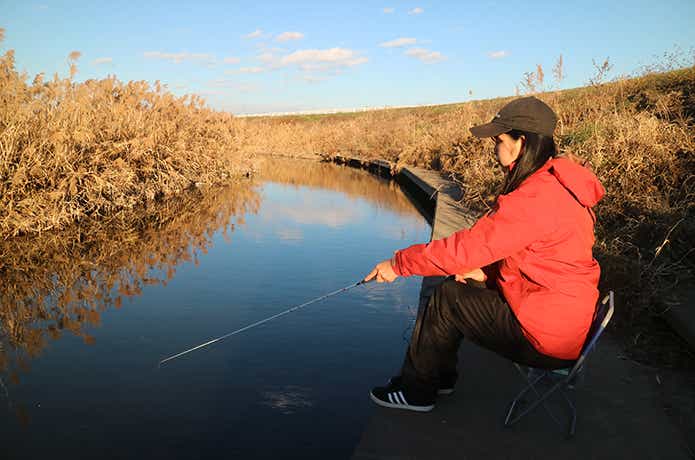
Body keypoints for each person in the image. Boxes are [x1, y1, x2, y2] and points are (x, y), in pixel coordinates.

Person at [363, 96, 605, 412]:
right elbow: (538, 255)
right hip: (563, 316)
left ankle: (417, 392)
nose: (494, 147)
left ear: (522, 141)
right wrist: (486, 274)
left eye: (499, 140)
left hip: (549, 337)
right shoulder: (558, 185)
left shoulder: (536, 197)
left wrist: (398, 264)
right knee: (459, 282)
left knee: (445, 296)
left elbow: (465, 250)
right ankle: (437, 376)